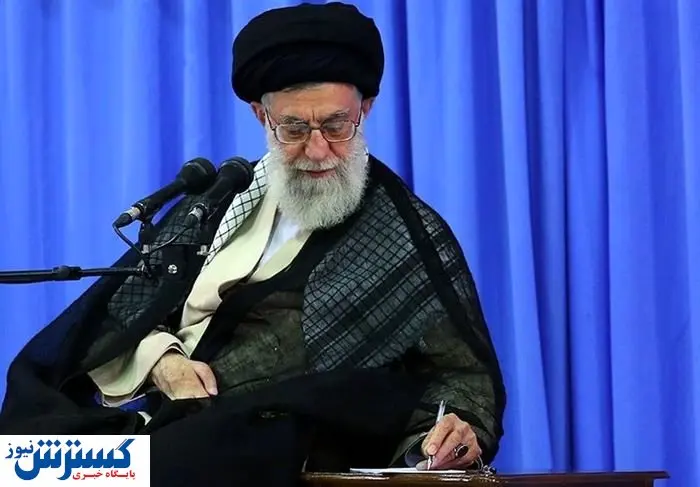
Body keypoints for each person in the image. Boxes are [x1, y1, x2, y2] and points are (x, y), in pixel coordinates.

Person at [0, 3, 505, 486]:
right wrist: (163, 361)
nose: (318, 149)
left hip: (254, 443)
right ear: (262, 117)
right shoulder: (220, 197)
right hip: (155, 426)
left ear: (365, 109)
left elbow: (464, 378)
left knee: (182, 457)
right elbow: (121, 312)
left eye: (336, 125)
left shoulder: (407, 235)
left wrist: (446, 437)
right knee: (23, 454)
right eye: (294, 128)